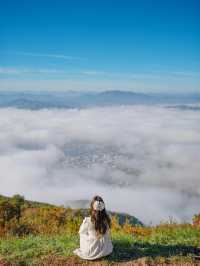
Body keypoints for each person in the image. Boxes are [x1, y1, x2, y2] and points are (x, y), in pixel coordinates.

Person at [73, 195, 113, 260]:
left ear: (92, 206)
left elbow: (81, 232)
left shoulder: (88, 220)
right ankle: (101, 245)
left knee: (82, 234)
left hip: (91, 252)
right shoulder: (107, 219)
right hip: (106, 250)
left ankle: (92, 245)